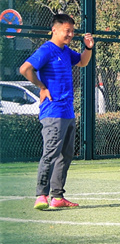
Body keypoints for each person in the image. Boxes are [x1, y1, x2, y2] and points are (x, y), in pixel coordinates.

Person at [19, 14, 94, 210]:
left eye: (72, 31)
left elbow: (83, 62)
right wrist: (42, 87)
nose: (70, 34)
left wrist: (88, 48)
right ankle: (41, 195)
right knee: (51, 154)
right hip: (53, 112)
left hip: (68, 112)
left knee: (65, 156)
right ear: (55, 30)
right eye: (67, 31)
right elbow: (25, 69)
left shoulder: (66, 51)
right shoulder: (47, 50)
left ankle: (57, 197)